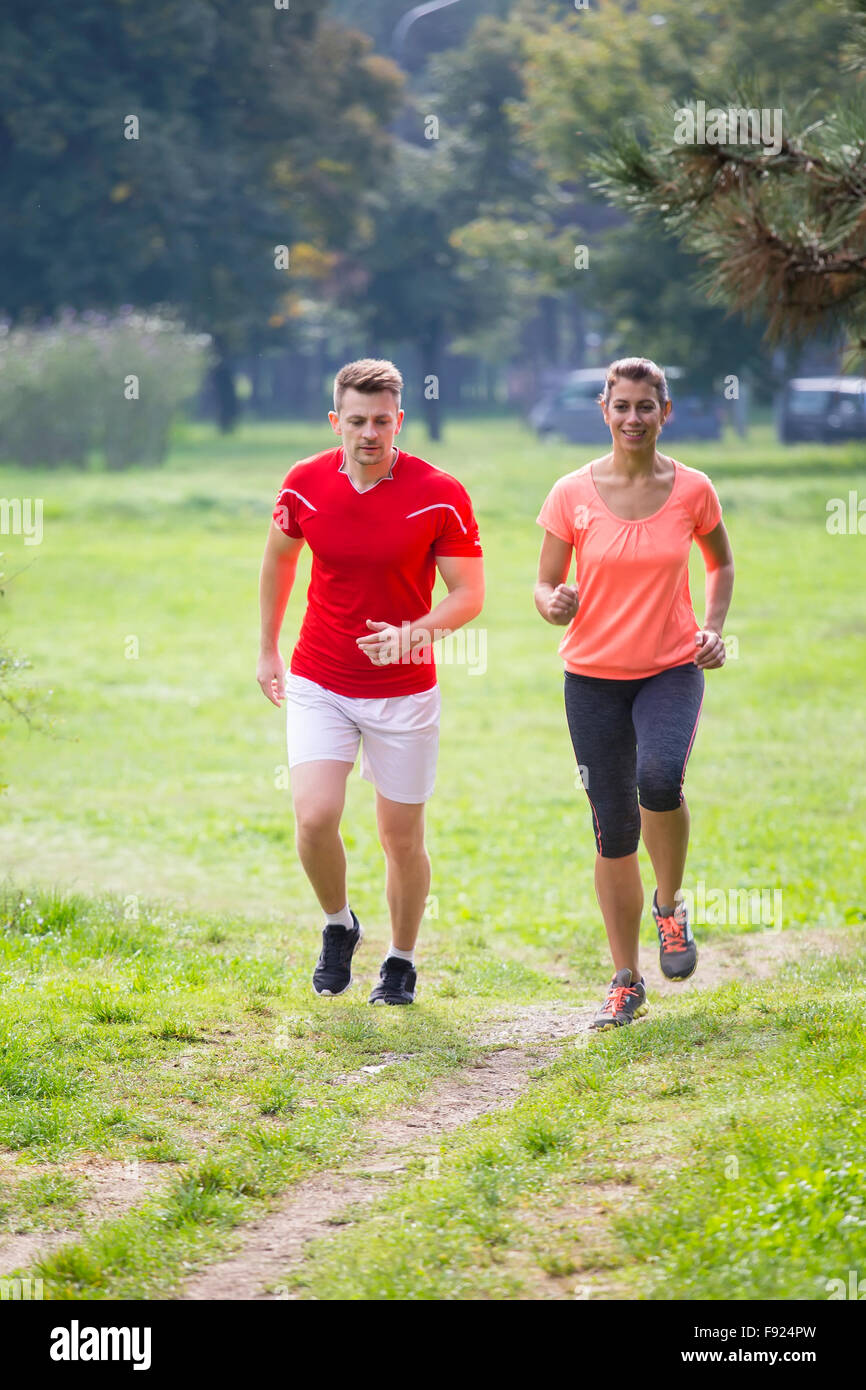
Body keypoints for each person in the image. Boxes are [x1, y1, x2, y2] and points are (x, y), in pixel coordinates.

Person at [257, 359, 484, 1004]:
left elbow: (468, 594)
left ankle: (401, 960)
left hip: (405, 691)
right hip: (320, 677)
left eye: (381, 421)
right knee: (315, 816)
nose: (368, 433)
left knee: (400, 837)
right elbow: (278, 561)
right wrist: (267, 648)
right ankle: (339, 925)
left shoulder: (440, 492)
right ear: (336, 422)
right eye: (355, 421)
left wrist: (416, 633)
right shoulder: (303, 485)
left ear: (399, 422)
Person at [534, 357, 734, 1030]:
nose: (633, 417)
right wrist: (553, 601)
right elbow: (544, 586)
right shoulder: (571, 493)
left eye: (646, 406)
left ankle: (670, 907)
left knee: (659, 775)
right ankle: (625, 980)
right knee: (612, 828)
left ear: (665, 412)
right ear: (604, 410)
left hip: (670, 667)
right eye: (621, 405)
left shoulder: (692, 489)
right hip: (591, 678)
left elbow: (721, 560)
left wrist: (712, 629)